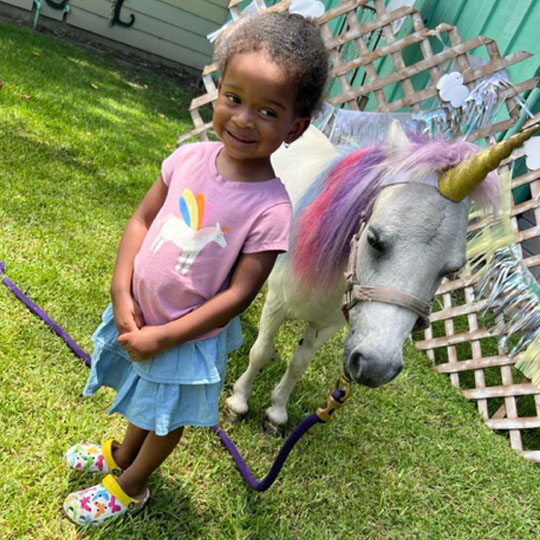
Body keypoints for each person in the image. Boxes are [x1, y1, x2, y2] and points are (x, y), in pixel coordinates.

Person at [62, 11, 329, 527]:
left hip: (184, 335)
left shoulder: (271, 209)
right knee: (146, 397)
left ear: (296, 126)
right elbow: (142, 220)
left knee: (167, 416)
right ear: (219, 91)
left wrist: (164, 338)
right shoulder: (188, 159)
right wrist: (122, 292)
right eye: (234, 98)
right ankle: (122, 455)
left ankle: (132, 483)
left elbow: (237, 297)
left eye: (268, 111)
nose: (244, 119)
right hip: (138, 313)